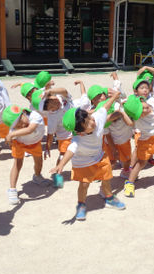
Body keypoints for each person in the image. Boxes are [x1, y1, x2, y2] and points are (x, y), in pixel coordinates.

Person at [49, 90, 125, 221]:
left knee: (107, 178)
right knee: (84, 185)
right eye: (87, 123)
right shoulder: (77, 140)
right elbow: (70, 151)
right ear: (80, 133)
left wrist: (114, 97)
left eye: (89, 117)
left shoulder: (97, 119)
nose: (92, 122)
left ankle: (109, 198)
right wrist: (60, 165)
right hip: (83, 163)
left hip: (100, 157)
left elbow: (104, 107)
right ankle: (81, 205)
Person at [3, 104, 47, 205]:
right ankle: (12, 189)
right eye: (17, 126)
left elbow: (30, 129)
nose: (21, 126)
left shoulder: (35, 116)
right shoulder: (13, 131)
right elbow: (10, 141)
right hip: (19, 143)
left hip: (35, 142)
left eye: (20, 122)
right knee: (17, 164)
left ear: (23, 113)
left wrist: (11, 134)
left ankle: (37, 176)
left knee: (39, 161)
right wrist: (10, 140)